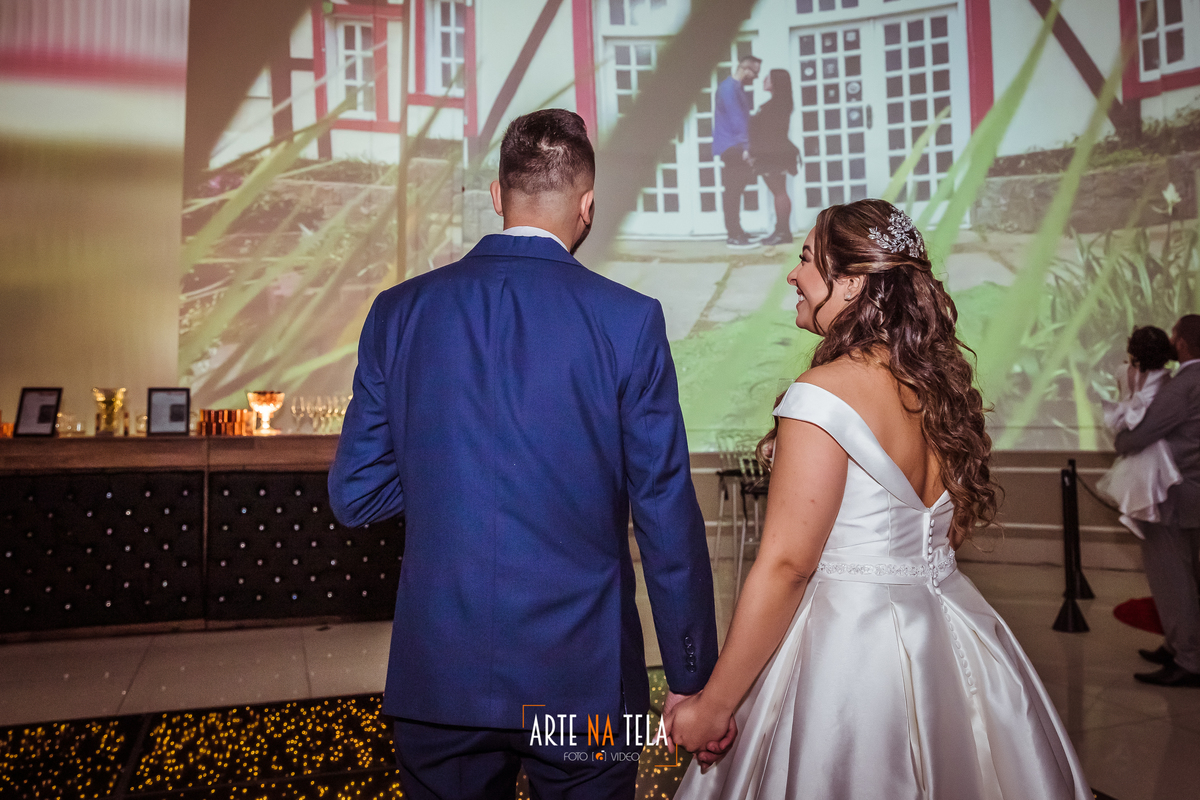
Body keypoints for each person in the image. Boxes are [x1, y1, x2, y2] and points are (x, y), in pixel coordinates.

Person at [328, 109, 721, 799]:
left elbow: (355, 493)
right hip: (585, 690)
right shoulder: (629, 320)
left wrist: (449, 478)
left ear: (496, 195)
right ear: (587, 206)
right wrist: (693, 679)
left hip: (438, 686)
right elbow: (665, 518)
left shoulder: (399, 310)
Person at [667, 199, 1092, 799]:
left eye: (806, 259)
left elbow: (788, 565)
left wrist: (714, 705)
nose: (793, 274)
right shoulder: (938, 389)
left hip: (850, 647)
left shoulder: (821, 395)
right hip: (951, 632)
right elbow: (946, 533)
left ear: (851, 282)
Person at [1115, 314, 1200, 688]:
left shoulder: (1183, 386)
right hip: (1193, 493)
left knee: (1173, 581)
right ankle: (1178, 645)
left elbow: (1136, 438)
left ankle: (1189, 659)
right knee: (1189, 577)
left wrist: (1120, 438)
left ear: (1181, 343)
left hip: (1171, 498)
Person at [1097, 326, 1181, 538]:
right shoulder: (1166, 378)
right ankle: (1144, 512)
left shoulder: (1123, 372)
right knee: (1151, 479)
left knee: (1135, 478)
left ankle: (1135, 514)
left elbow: (1124, 394)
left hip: (1129, 428)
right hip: (1152, 437)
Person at [713, 55, 761, 250]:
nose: (756, 77)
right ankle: (733, 235)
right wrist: (746, 147)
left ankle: (737, 231)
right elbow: (737, 120)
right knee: (733, 191)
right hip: (733, 147)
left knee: (736, 190)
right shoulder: (729, 88)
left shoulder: (735, 87)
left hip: (733, 145)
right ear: (746, 69)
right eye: (755, 73)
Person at [748, 68, 799, 247]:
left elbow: (768, 134)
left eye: (768, 78)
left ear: (776, 82)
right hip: (776, 153)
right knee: (780, 192)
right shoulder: (780, 103)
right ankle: (783, 231)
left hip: (772, 155)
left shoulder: (775, 105)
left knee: (779, 192)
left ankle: (783, 232)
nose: (764, 80)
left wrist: (754, 153)